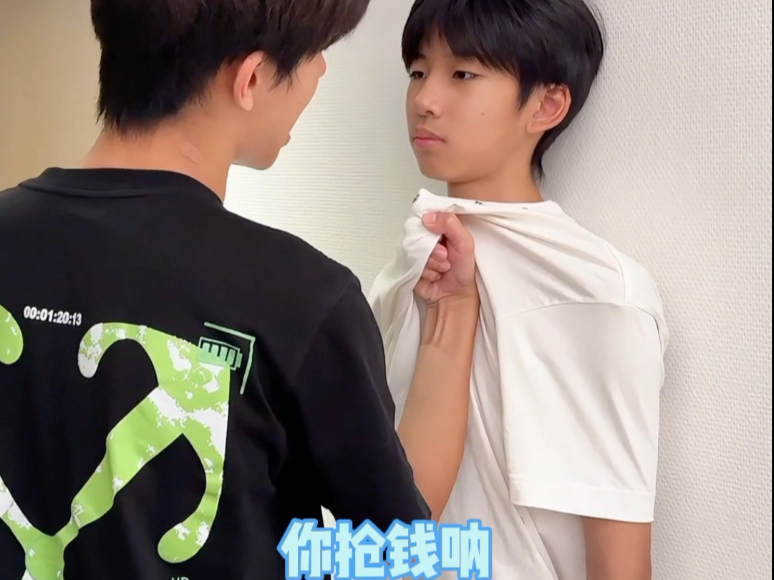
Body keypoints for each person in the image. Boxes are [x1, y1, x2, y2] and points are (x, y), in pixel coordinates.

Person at [0, 1, 480, 579]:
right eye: (315, 54)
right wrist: (453, 314)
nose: (321, 71)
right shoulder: (300, 299)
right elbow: (397, 553)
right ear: (250, 79)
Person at [369, 1, 669, 579]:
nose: (425, 99)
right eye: (417, 71)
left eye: (462, 73)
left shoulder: (599, 292)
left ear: (547, 105)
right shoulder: (406, 271)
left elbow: (620, 558)